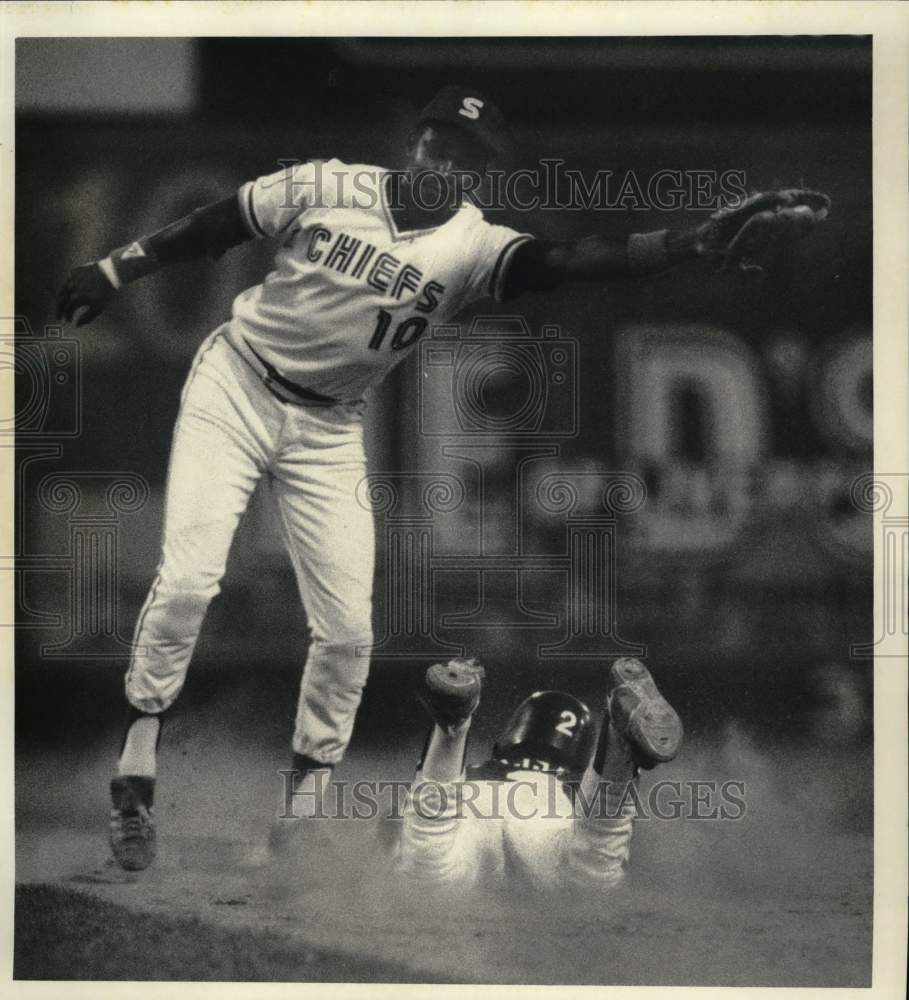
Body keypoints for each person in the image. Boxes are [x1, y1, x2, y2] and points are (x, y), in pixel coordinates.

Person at [57, 83, 827, 872]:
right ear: (413, 144)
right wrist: (120, 269)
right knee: (189, 580)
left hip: (327, 424)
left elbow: (573, 262)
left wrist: (688, 244)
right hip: (236, 383)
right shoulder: (327, 183)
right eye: (437, 144)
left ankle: (302, 814)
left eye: (466, 156)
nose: (446, 162)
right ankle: (139, 759)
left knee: (349, 634)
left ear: (480, 174)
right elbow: (221, 223)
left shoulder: (470, 246)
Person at [393, 656, 683, 890]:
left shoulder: (475, 771)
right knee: (594, 865)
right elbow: (642, 865)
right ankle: (618, 740)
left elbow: (390, 827)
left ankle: (454, 723)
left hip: (471, 808)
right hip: (550, 819)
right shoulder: (575, 785)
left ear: (510, 736)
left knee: (427, 861)